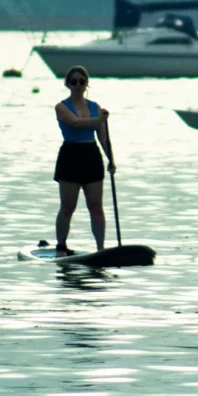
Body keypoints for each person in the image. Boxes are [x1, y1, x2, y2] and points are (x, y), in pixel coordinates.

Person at [53, 66, 114, 256]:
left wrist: (111, 160)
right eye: (74, 82)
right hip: (71, 155)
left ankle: (100, 248)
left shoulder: (95, 107)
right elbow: (75, 123)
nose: (78, 85)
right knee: (68, 207)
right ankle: (61, 245)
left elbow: (103, 138)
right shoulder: (61, 107)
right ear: (68, 84)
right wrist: (99, 120)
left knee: (96, 207)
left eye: (82, 81)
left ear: (87, 83)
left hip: (91, 155)